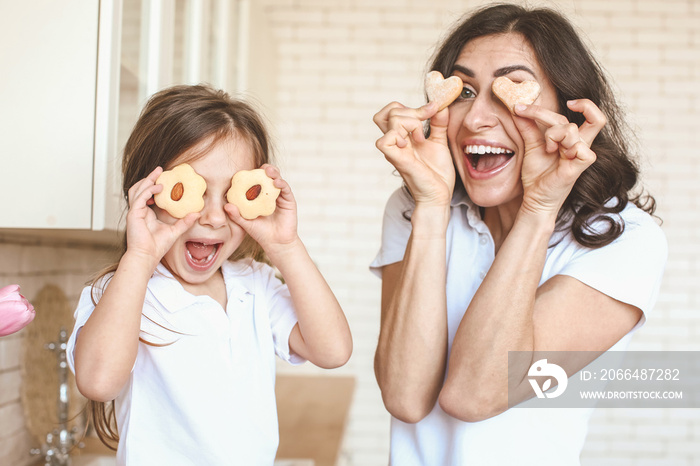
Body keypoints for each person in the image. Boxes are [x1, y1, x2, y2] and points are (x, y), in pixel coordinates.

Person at [371, 4, 666, 465]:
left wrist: (538, 209)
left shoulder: (627, 239)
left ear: (568, 112)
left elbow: (474, 395)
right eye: (464, 91)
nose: (475, 120)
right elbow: (405, 397)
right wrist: (430, 207)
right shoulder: (412, 209)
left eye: (513, 89)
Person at [67, 84, 352, 465]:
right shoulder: (125, 292)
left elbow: (333, 351)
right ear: (148, 195)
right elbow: (98, 382)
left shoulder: (255, 285)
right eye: (193, 192)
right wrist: (140, 256)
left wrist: (285, 247)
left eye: (231, 194)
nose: (214, 217)